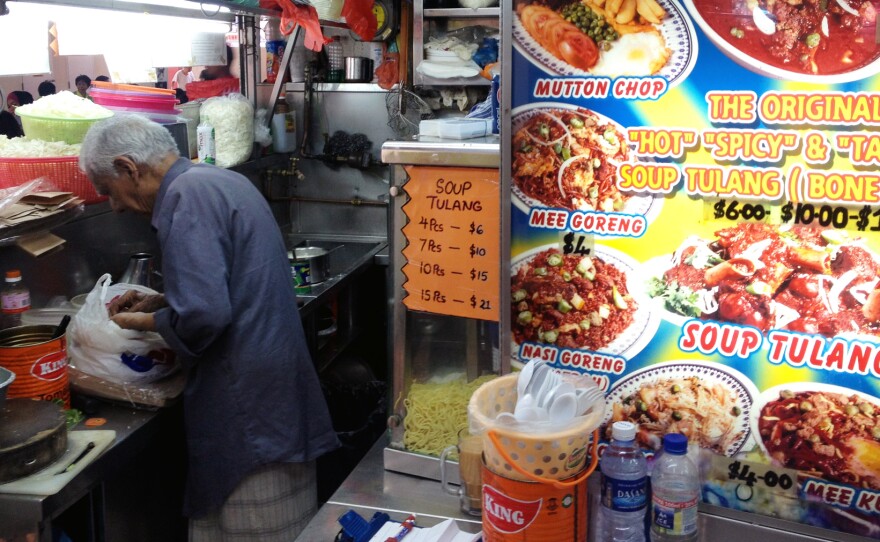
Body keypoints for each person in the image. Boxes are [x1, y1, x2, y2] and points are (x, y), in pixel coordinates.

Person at [78, 114, 339, 541]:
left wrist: (144, 321)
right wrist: (163, 300)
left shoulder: (185, 197)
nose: (115, 205)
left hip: (249, 409)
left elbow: (204, 315)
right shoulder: (215, 179)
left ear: (129, 167)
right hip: (269, 394)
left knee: (258, 529)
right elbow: (227, 284)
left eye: (108, 190)